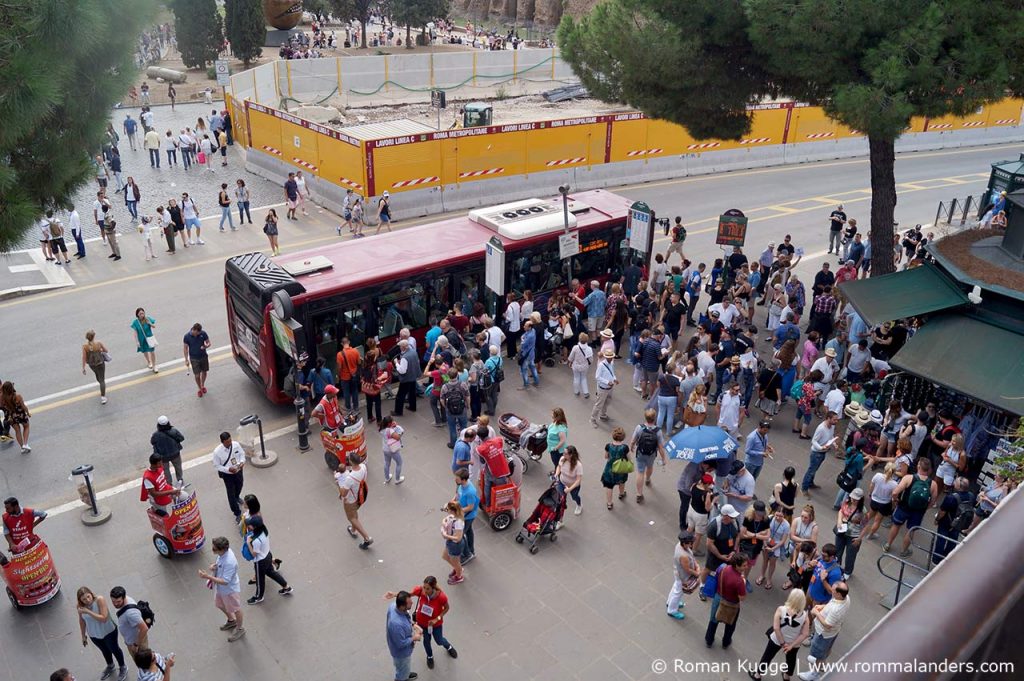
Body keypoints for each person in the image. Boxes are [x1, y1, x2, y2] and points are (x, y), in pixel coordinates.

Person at [384, 577, 458, 672]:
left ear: (433, 588)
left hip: (435, 625)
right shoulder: (420, 591)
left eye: (427, 588)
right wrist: (394, 594)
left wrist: (437, 619)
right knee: (426, 642)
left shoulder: (441, 597)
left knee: (439, 640)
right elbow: (407, 596)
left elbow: (447, 608)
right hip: (422, 624)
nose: (425, 590)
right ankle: (429, 656)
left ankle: (448, 646)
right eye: (424, 587)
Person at [751, 588, 809, 681]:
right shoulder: (805, 615)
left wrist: (783, 643)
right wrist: (791, 646)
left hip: (777, 640)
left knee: (768, 656)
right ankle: (787, 676)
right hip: (793, 643)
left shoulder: (781, 610)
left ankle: (758, 675)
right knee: (791, 660)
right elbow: (805, 634)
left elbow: (776, 628)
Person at [884, 457, 937, 557]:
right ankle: (904, 551)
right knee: (911, 530)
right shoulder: (933, 484)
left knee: (896, 525)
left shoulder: (909, 478)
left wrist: (895, 500)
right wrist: (925, 508)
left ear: (918, 466)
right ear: (929, 469)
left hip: (903, 507)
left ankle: (888, 545)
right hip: (918, 511)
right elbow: (933, 501)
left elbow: (895, 492)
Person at [798, 582, 851, 681]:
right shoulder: (846, 598)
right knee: (826, 649)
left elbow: (827, 625)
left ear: (839, 594)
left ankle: (815, 673)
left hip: (823, 634)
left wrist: (816, 612)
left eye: (834, 590)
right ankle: (822, 663)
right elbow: (832, 603)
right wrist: (823, 607)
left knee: (818, 652)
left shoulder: (836, 610)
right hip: (834, 632)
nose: (831, 590)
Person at [197, 536, 246, 641]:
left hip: (229, 590)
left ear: (222, 549)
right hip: (221, 589)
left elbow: (225, 581)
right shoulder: (223, 554)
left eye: (214, 549)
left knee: (236, 609)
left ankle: (240, 628)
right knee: (219, 604)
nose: (212, 550)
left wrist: (208, 576)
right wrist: (213, 566)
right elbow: (220, 563)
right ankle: (231, 620)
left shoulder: (230, 562)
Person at [77, 586, 128, 681]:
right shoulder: (80, 607)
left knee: (114, 649)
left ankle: (123, 667)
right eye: (83, 599)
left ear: (91, 594)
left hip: (108, 631)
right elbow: (82, 621)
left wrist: (88, 611)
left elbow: (104, 618)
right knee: (104, 650)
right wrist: (83, 636)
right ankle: (110, 665)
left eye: (88, 596)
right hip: (94, 634)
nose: (87, 600)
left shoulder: (99, 600)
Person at [244, 516, 293, 603]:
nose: (248, 526)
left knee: (260, 580)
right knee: (272, 573)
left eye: (250, 525)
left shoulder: (256, 541)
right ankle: (286, 587)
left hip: (260, 561)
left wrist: (248, 543)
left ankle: (259, 597)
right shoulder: (264, 531)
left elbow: (254, 554)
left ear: (255, 527)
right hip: (268, 555)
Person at [704, 553, 748, 649]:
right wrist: (744, 582)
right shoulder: (739, 581)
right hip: (731, 604)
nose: (746, 567)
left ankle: (709, 639)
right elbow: (742, 598)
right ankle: (726, 642)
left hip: (718, 597)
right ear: (737, 565)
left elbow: (716, 578)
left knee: (713, 620)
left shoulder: (723, 568)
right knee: (730, 624)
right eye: (744, 565)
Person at [700, 504, 740, 599]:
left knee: (725, 571)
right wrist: (720, 556)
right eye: (731, 516)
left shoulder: (734, 522)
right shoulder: (714, 526)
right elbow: (709, 544)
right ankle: (702, 586)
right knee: (708, 569)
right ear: (725, 516)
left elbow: (738, 535)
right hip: (715, 555)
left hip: (730, 553)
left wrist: (734, 550)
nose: (733, 518)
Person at [336, 452, 373, 548]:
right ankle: (353, 530)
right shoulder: (363, 467)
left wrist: (338, 483)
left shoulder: (350, 478)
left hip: (351, 501)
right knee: (354, 514)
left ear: (351, 462)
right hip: (361, 495)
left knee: (352, 518)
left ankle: (367, 538)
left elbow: (344, 493)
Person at [631, 409, 667, 503]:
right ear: (654, 418)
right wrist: (663, 458)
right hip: (651, 454)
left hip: (640, 453)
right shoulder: (658, 431)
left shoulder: (639, 427)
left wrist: (631, 447)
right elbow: (660, 447)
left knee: (640, 472)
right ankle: (647, 479)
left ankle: (639, 494)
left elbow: (633, 440)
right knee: (650, 466)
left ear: (645, 417)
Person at [385, 590, 423, 681]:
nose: (412, 603)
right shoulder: (396, 624)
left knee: (403, 668)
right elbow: (400, 643)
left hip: (400, 650)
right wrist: (414, 637)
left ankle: (405, 673)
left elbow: (406, 617)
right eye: (409, 603)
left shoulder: (393, 605)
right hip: (401, 654)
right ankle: (402, 677)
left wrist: (413, 625)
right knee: (402, 669)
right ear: (402, 606)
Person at [802, 411, 840, 495]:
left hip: (823, 452)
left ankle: (810, 483)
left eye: (837, 420)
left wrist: (834, 444)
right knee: (811, 470)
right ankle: (804, 488)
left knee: (814, 469)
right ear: (828, 418)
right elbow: (814, 441)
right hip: (816, 453)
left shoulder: (832, 427)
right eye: (834, 420)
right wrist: (821, 447)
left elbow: (831, 436)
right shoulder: (821, 428)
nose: (836, 422)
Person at [212, 432, 246, 523]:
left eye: (230, 440)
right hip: (228, 475)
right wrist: (228, 469)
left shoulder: (236, 445)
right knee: (230, 493)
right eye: (227, 442)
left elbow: (242, 454)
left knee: (240, 485)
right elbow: (216, 466)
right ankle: (237, 513)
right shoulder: (217, 452)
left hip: (238, 471)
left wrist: (242, 462)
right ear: (222, 442)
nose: (229, 443)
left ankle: (237, 496)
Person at [666, 531, 700, 620]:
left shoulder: (679, 545)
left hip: (678, 574)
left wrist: (696, 564)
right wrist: (697, 573)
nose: (692, 544)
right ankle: (672, 610)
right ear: (685, 543)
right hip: (683, 577)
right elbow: (687, 569)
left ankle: (670, 602)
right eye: (690, 542)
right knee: (678, 593)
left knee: (676, 588)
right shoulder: (683, 556)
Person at [832, 488, 866, 578]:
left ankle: (847, 572)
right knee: (837, 552)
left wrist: (859, 539)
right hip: (842, 531)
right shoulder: (847, 502)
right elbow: (841, 511)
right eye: (852, 498)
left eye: (856, 499)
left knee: (850, 556)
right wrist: (839, 521)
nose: (853, 500)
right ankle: (836, 568)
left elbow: (865, 527)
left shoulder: (863, 511)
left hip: (854, 536)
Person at [109, 587, 149, 656]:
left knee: (143, 664)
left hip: (136, 643)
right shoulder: (126, 599)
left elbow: (144, 628)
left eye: (118, 601)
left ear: (124, 598)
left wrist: (136, 645)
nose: (115, 604)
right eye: (113, 601)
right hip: (133, 640)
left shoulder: (131, 613)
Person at [864, 463, 898, 539]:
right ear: (894, 472)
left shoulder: (877, 475)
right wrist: (893, 505)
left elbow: (871, 486)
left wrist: (870, 494)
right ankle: (870, 535)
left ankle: (860, 526)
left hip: (874, 500)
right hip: (884, 504)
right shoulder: (894, 484)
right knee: (877, 521)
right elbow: (893, 497)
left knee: (869, 514)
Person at [601, 427, 631, 510]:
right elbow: (629, 458)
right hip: (621, 468)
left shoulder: (608, 446)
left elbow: (606, 456)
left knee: (609, 486)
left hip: (610, 469)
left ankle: (609, 503)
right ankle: (621, 493)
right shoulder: (625, 447)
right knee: (622, 482)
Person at [151, 415, 185, 486]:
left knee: (166, 471)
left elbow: (152, 442)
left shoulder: (155, 435)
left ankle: (169, 484)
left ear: (158, 425)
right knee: (178, 467)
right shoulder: (174, 431)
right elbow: (181, 438)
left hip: (163, 457)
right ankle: (180, 479)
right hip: (175, 454)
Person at [440, 368, 470, 448]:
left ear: (448, 376)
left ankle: (453, 444)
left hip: (450, 411)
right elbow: (467, 396)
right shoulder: (462, 384)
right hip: (462, 409)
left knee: (452, 427)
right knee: (463, 426)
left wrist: (446, 407)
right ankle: (464, 442)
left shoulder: (445, 387)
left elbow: (442, 399)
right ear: (457, 375)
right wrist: (468, 405)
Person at [454, 468, 479, 565]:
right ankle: (471, 551)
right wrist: (453, 502)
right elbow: (457, 494)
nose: (455, 480)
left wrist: (457, 510)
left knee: (460, 536)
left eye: (457, 479)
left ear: (464, 480)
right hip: (462, 514)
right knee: (468, 532)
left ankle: (467, 555)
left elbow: (470, 507)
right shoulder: (461, 485)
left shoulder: (470, 491)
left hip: (467, 517)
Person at [182, 322, 211, 397]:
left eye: (199, 333)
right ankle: (199, 388)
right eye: (197, 333)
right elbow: (185, 348)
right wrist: (186, 359)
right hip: (194, 358)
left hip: (203, 356)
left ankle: (202, 385)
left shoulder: (203, 333)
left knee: (204, 372)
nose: (198, 334)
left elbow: (208, 343)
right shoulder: (187, 336)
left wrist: (205, 346)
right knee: (197, 375)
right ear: (194, 330)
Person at [591, 348, 619, 426]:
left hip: (610, 388)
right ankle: (592, 419)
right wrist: (607, 382)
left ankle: (603, 415)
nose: (611, 358)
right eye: (610, 357)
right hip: (602, 388)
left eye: (612, 357)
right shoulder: (601, 365)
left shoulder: (612, 363)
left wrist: (615, 379)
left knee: (607, 402)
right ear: (606, 357)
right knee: (599, 404)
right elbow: (597, 377)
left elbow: (612, 373)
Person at [440, 501, 466, 585]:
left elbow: (458, 538)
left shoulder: (458, 522)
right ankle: (457, 569)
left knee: (456, 562)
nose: (446, 510)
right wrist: (444, 522)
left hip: (455, 544)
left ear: (452, 511)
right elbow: (445, 519)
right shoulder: (453, 516)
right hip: (451, 542)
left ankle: (459, 576)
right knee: (445, 556)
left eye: (447, 509)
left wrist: (445, 535)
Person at [554, 445, 584, 518]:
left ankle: (579, 505)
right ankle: (561, 509)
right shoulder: (562, 459)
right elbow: (559, 466)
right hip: (562, 482)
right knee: (561, 498)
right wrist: (556, 474)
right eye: (563, 453)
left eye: (565, 453)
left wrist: (570, 489)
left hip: (573, 486)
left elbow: (578, 480)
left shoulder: (578, 465)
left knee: (575, 497)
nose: (563, 454)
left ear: (571, 455)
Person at [81, 330, 110, 404]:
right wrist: (100, 350)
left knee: (97, 375)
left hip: (92, 365)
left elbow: (84, 357)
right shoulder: (98, 344)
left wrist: (83, 367)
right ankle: (103, 397)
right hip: (100, 363)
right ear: (93, 337)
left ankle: (101, 385)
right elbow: (106, 350)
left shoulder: (85, 347)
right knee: (102, 379)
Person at [393, 339, 420, 416]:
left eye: (400, 346)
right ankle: (412, 407)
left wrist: (396, 363)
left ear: (403, 347)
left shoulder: (405, 357)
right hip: (413, 376)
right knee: (412, 392)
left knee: (400, 395)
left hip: (406, 378)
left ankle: (398, 412)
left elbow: (402, 371)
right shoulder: (413, 352)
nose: (399, 347)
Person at [336, 336, 363, 414]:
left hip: (344, 377)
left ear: (342, 344)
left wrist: (338, 375)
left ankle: (348, 408)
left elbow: (339, 368)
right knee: (355, 391)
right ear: (349, 342)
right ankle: (356, 407)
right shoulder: (355, 351)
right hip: (354, 376)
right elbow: (359, 363)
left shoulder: (339, 355)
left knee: (346, 393)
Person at [379, 414, 405, 484]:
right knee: (399, 463)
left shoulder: (382, 429)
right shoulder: (390, 431)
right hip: (392, 450)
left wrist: (392, 427)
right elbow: (398, 437)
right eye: (392, 420)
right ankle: (397, 479)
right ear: (389, 423)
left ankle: (387, 478)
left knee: (387, 463)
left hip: (385, 449)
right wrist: (397, 426)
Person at [131, 307, 158, 373]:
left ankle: (154, 366)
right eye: (140, 314)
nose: (142, 315)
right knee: (145, 351)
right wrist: (137, 341)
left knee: (152, 352)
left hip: (149, 338)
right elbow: (135, 333)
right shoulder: (135, 322)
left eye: (143, 313)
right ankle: (149, 362)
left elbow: (154, 326)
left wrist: (149, 323)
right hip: (142, 339)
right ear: (137, 315)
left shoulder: (148, 319)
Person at [568, 332, 593, 398]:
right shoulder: (589, 349)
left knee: (576, 378)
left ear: (579, 339)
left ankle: (576, 391)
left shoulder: (575, 347)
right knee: (584, 378)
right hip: (584, 366)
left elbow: (571, 357)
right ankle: (586, 392)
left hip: (576, 366)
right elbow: (591, 360)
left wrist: (570, 362)